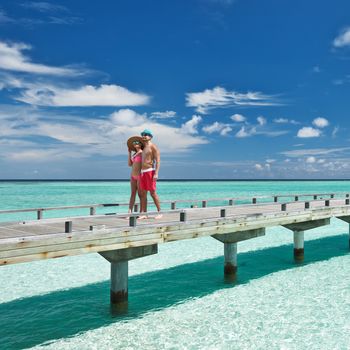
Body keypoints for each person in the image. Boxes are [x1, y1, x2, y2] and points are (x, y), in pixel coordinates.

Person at [138, 129, 162, 219]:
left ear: (150, 137)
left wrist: (156, 173)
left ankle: (160, 212)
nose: (144, 136)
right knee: (143, 193)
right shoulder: (143, 148)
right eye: (143, 134)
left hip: (150, 171)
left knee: (152, 193)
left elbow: (158, 160)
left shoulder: (153, 147)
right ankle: (144, 213)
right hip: (142, 172)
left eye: (146, 134)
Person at [127, 136, 144, 213]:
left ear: (141, 144)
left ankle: (142, 212)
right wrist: (129, 153)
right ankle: (130, 211)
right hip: (132, 176)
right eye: (134, 142)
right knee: (132, 194)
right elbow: (129, 164)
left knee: (141, 195)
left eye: (137, 142)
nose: (135, 143)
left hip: (140, 176)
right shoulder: (135, 154)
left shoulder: (142, 153)